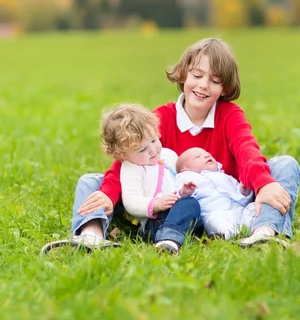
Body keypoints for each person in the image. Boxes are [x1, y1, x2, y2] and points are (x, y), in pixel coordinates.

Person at [42, 37, 300, 252]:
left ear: (224, 87)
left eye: (214, 80)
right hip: (166, 205)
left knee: (284, 166)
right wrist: (109, 194)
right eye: (197, 75)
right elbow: (127, 162)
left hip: (224, 201)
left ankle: (264, 232)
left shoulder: (229, 115)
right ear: (183, 74)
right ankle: (91, 236)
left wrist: (264, 184)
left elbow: (247, 150)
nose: (203, 86)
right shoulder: (162, 117)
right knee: (91, 181)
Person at [42, 104, 200, 254]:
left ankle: (170, 240)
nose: (153, 150)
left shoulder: (168, 155)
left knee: (190, 204)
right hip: (154, 217)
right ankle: (91, 235)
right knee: (88, 181)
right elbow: (132, 201)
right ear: (122, 156)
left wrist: (184, 190)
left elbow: (177, 179)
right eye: (142, 149)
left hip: (176, 208)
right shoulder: (131, 168)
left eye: (154, 140)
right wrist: (156, 204)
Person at [175, 147, 298, 246]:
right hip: (216, 211)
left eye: (206, 153)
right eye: (198, 157)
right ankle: (230, 236)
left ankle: (260, 230)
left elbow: (239, 195)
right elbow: (177, 197)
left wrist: (244, 191)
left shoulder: (224, 176)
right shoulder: (186, 178)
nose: (206, 155)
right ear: (185, 169)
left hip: (239, 210)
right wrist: (184, 192)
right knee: (216, 220)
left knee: (253, 207)